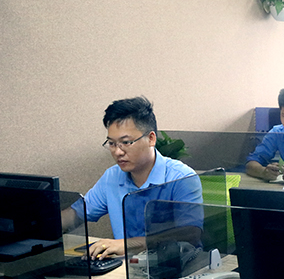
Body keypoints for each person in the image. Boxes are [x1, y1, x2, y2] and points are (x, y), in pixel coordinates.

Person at [63, 96, 203, 260]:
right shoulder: (112, 177)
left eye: (126, 142)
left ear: (151, 139)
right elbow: (77, 214)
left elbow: (190, 234)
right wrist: (41, 225)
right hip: (127, 267)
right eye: (112, 143)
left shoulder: (181, 177)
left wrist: (128, 244)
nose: (118, 152)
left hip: (175, 265)